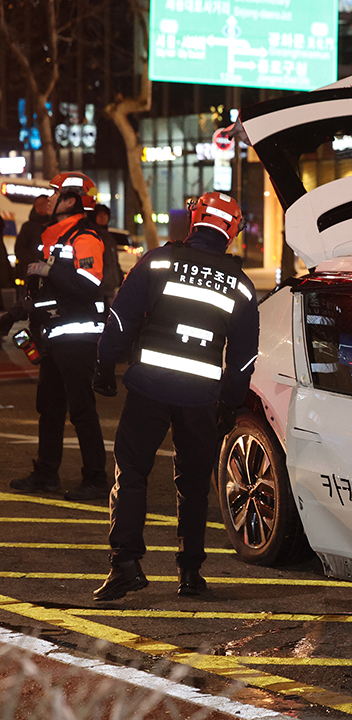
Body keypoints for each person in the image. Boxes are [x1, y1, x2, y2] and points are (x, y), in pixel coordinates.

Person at [91, 191, 259, 601]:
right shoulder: (240, 284)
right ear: (232, 231)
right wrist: (231, 401)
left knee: (131, 474)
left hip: (149, 387)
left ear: (194, 219)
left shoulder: (159, 261)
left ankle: (126, 565)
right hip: (201, 397)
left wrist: (105, 365)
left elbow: (121, 317)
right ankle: (190, 574)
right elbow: (242, 358)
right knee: (194, 484)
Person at [0, 173, 109, 501]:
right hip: (52, 336)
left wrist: (50, 270)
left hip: (76, 338)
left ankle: (96, 479)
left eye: (55, 193)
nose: (49, 198)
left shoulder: (86, 237)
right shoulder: (55, 236)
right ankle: (46, 473)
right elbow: (46, 292)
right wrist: (16, 314)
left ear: (73, 199)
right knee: (49, 407)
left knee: (81, 410)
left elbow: (90, 283)